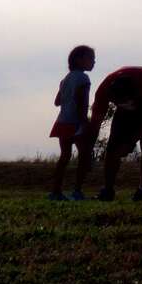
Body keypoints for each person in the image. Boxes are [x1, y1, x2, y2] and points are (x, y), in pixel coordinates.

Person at [83, 66, 142, 201]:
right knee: (112, 147)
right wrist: (87, 152)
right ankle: (107, 190)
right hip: (129, 100)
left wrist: (130, 143)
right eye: (119, 103)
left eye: (128, 103)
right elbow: (95, 125)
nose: (126, 106)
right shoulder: (104, 91)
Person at [48, 45, 95, 201]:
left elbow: (57, 101)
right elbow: (83, 103)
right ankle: (77, 191)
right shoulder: (83, 79)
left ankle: (55, 191)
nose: (93, 62)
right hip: (76, 123)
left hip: (62, 121)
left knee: (65, 157)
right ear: (79, 60)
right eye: (90, 58)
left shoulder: (65, 79)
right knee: (84, 156)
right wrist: (85, 123)